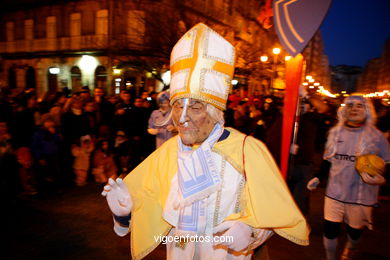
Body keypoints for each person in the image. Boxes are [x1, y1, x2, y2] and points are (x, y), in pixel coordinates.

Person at [102, 23, 309, 260]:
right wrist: (124, 213)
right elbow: (149, 205)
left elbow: (273, 212)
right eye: (178, 105)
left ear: (214, 112)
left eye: (196, 106)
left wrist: (252, 230)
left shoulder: (247, 150)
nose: (182, 116)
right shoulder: (169, 150)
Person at [307, 95, 390, 260]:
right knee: (330, 229)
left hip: (361, 195)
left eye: (359, 105)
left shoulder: (377, 136)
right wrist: (318, 177)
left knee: (354, 232)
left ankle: (352, 246)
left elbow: (387, 163)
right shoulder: (335, 133)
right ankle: (330, 257)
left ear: (367, 110)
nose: (354, 108)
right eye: (350, 105)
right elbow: (327, 160)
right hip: (335, 192)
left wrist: (381, 179)